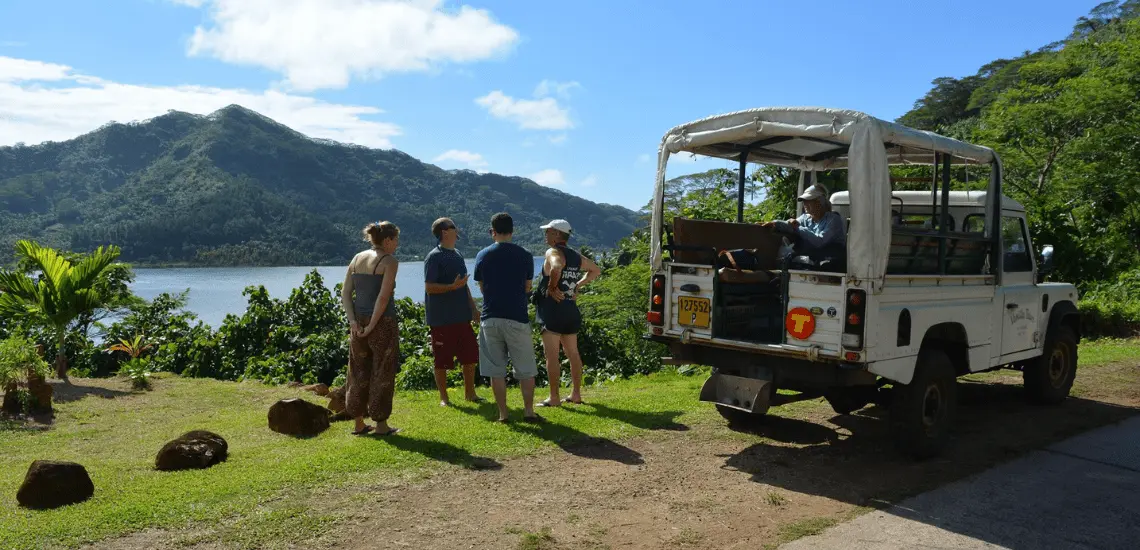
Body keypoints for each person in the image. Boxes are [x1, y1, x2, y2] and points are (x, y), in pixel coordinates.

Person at [473, 212, 541, 423]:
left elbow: (482, 287)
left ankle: (503, 414)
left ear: (492, 231)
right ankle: (528, 411)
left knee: (496, 370)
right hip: (517, 317)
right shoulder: (525, 255)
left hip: (490, 318)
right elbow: (528, 286)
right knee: (526, 369)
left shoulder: (482, 255)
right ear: (512, 231)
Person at [339, 221, 401, 436]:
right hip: (383, 323)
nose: (397, 244)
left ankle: (358, 422)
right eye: (396, 239)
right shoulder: (389, 261)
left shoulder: (357, 258)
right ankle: (381, 425)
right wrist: (373, 325)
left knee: (357, 370)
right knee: (382, 371)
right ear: (387, 240)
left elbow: (345, 293)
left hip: (358, 322)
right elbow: (383, 298)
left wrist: (353, 322)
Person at [535, 219, 600, 407]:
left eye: (548, 231)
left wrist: (551, 287)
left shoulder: (552, 252)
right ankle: (576, 394)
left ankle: (554, 397)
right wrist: (577, 285)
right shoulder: (576, 256)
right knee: (573, 352)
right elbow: (595, 270)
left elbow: (557, 266)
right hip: (570, 309)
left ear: (556, 234)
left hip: (552, 310)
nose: (545, 235)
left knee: (552, 356)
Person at [423, 217, 482, 407]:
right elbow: (429, 287)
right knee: (442, 359)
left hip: (461, 316)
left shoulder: (457, 254)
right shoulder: (434, 257)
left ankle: (470, 394)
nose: (457, 229)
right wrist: (451, 287)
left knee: (470, 355)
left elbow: (463, 285)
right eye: (453, 226)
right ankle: (444, 398)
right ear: (444, 232)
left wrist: (473, 308)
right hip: (441, 318)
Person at [761, 183, 846, 262]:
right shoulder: (805, 218)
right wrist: (775, 224)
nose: (804, 203)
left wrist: (798, 227)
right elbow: (791, 225)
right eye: (804, 200)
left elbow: (820, 241)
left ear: (819, 201)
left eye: (808, 200)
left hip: (830, 263)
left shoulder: (833, 219)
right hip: (813, 261)